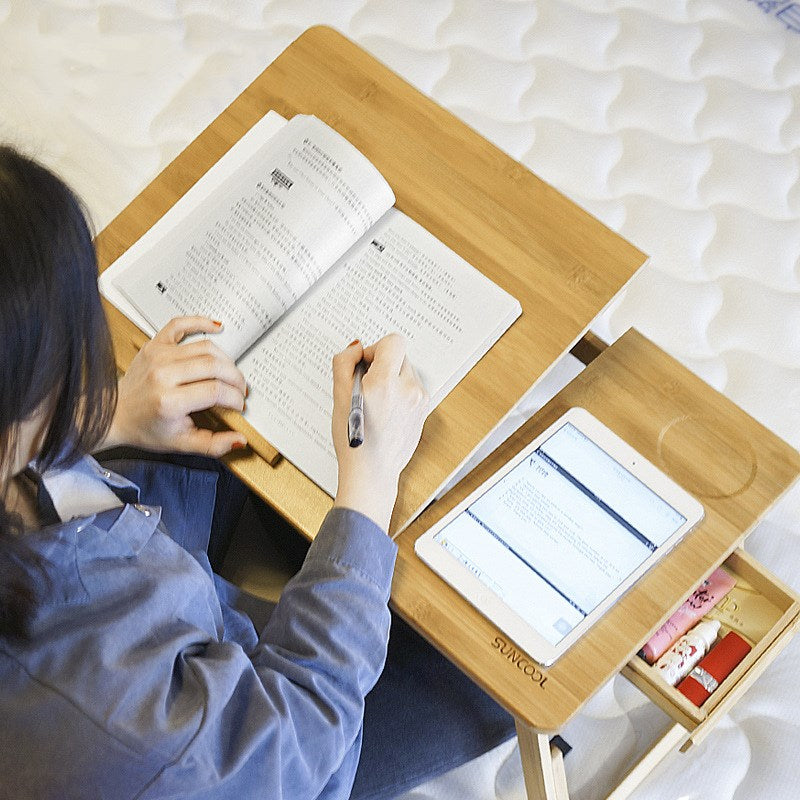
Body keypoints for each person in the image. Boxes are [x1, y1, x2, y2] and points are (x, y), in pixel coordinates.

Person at [0, 144, 513, 799]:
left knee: (215, 420)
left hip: (153, 624)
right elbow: (298, 736)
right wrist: (369, 482)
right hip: (273, 741)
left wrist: (109, 418)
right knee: (491, 672)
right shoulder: (121, 717)